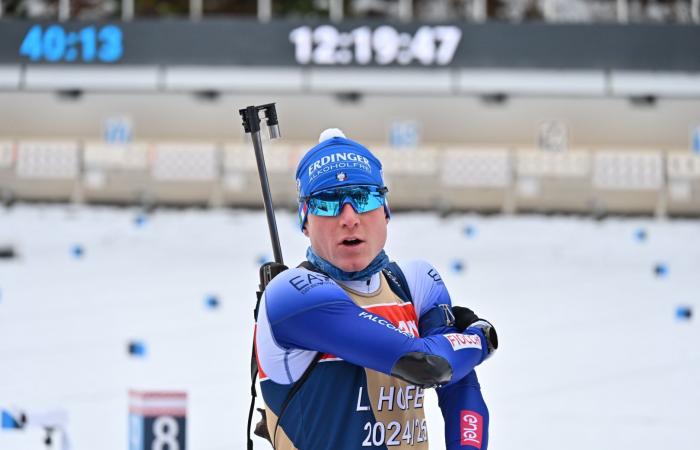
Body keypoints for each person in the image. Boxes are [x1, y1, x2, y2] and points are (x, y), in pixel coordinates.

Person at [254, 129, 498, 450]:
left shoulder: (416, 281)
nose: (349, 218)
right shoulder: (292, 295)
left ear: (385, 210)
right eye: (327, 203)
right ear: (305, 220)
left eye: (364, 198)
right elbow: (426, 364)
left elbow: (460, 389)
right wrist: (481, 338)